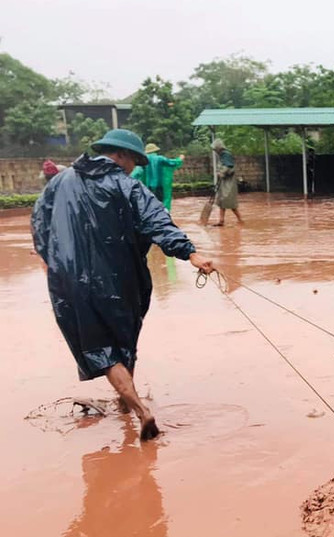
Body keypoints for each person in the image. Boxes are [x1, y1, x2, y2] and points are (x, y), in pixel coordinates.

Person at [31, 129, 214, 441]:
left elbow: (39, 223)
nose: (133, 168)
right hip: (118, 280)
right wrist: (190, 253)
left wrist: (52, 262)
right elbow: (157, 221)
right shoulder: (126, 185)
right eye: (133, 162)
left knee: (100, 347)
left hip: (70, 281)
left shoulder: (60, 182)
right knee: (123, 342)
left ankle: (131, 405)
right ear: (122, 155)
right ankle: (135, 406)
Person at [142, 143, 185, 211]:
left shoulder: (144, 160)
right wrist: (180, 159)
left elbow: (138, 172)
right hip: (159, 186)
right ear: (155, 150)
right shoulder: (160, 158)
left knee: (150, 204)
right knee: (160, 205)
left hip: (148, 187)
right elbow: (172, 163)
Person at [211, 139, 243, 226]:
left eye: (215, 149)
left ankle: (240, 220)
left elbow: (228, 167)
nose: (215, 151)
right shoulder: (222, 155)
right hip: (224, 181)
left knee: (229, 201)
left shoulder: (226, 155)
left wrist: (222, 173)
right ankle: (221, 221)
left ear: (219, 148)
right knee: (222, 201)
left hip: (229, 182)